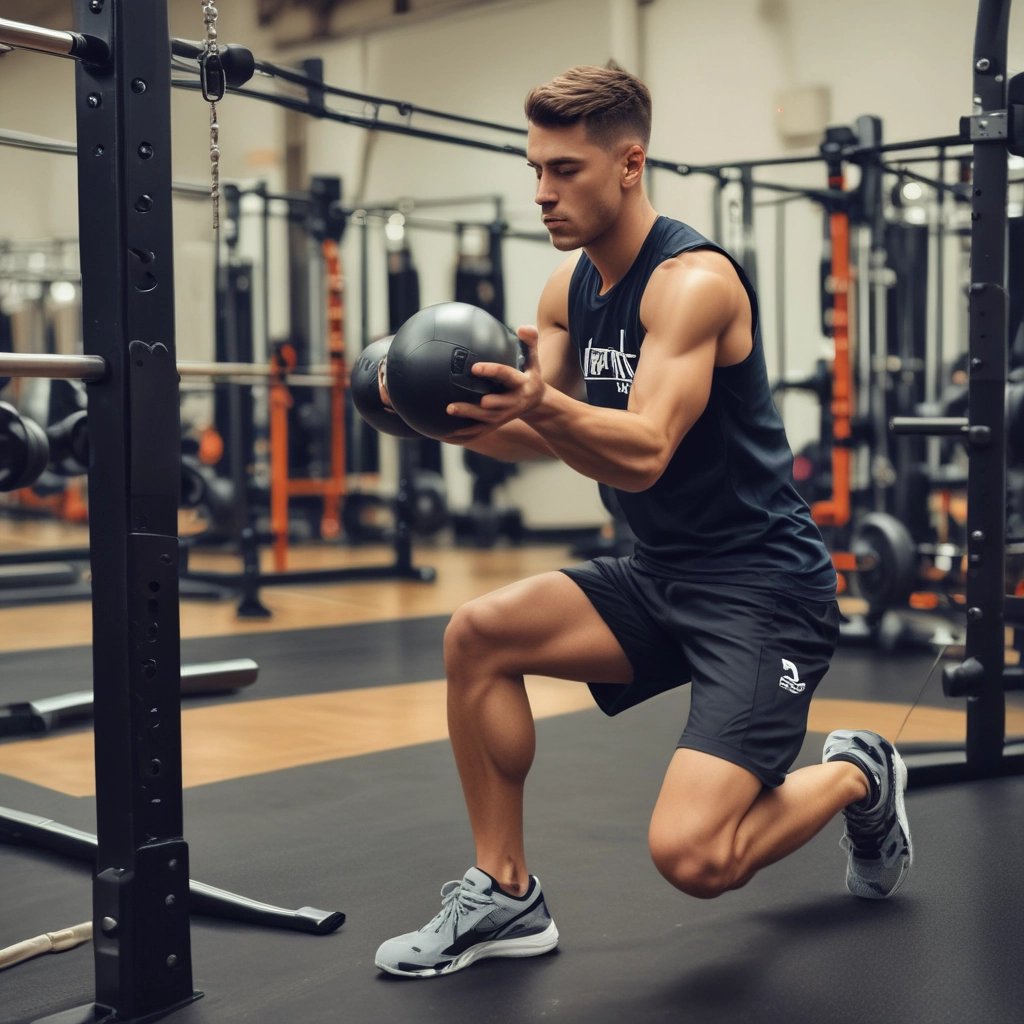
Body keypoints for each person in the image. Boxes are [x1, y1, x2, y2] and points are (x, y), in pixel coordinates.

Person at [373, 64, 912, 979]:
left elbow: (646, 446)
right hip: (658, 573)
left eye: (567, 171)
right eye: (535, 168)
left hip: (764, 590)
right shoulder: (564, 292)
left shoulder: (692, 283)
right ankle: (504, 896)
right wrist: (444, 417)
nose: (543, 192)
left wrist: (538, 400)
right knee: (479, 635)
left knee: (695, 857)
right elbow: (551, 438)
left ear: (630, 164)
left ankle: (861, 773)